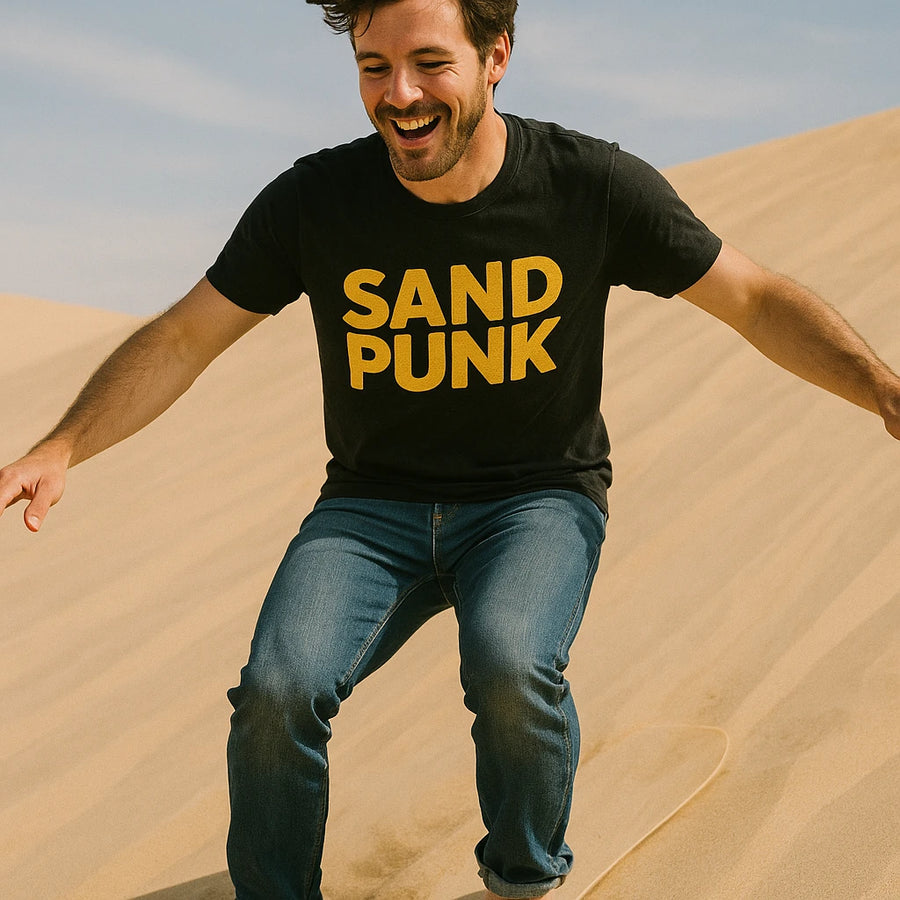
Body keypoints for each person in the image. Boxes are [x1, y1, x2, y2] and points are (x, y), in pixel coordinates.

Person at [2, 0, 898, 897]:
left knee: (510, 665)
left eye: (431, 62)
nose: (400, 94)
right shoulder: (315, 203)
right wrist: (66, 443)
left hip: (535, 501)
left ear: (496, 54)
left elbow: (751, 297)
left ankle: (521, 878)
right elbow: (184, 338)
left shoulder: (590, 185)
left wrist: (880, 388)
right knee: (277, 693)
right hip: (367, 509)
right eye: (372, 67)